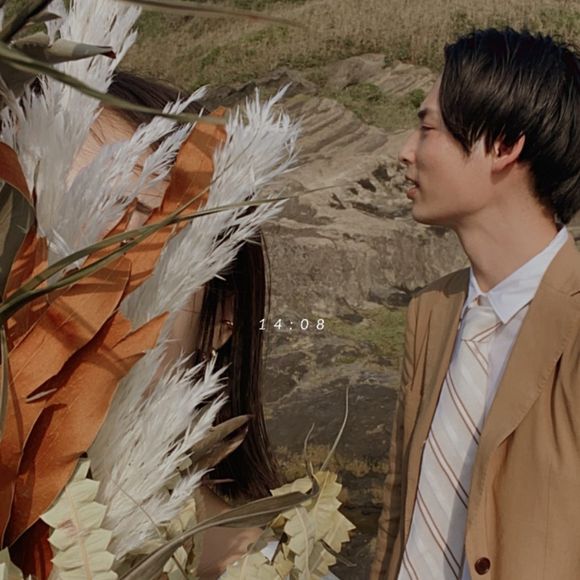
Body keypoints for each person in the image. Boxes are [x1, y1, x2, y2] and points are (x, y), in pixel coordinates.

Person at [371, 27, 580, 579]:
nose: (406, 151)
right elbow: (400, 511)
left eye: (427, 128)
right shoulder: (432, 311)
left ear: (504, 147)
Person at [62, 70, 279, 577]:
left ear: (222, 317)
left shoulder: (277, 567)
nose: (61, 284)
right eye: (29, 231)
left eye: (123, 238)